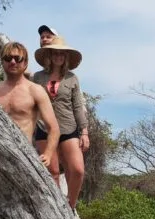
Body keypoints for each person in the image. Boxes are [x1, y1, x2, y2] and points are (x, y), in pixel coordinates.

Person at [32, 36, 89, 209]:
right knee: (53, 172)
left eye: (62, 54)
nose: (58, 56)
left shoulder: (72, 78)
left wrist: (84, 132)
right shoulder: (37, 77)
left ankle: (70, 206)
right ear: (49, 55)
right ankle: (58, 208)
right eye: (55, 53)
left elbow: (78, 105)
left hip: (68, 128)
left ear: (66, 57)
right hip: (45, 129)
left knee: (78, 170)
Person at [0, 41, 60, 169]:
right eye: (8, 58)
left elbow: (54, 128)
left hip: (23, 156)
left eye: (18, 58)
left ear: (25, 63)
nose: (13, 62)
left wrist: (47, 154)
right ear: (2, 62)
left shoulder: (35, 90)